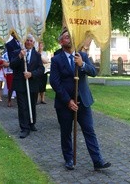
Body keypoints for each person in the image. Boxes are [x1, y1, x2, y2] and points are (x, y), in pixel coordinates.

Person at [49, 29, 111, 171]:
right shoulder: (56, 59)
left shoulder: (81, 55)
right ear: (60, 42)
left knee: (89, 130)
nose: (69, 39)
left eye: (70, 36)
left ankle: (97, 161)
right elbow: (55, 82)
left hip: (83, 101)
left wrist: (82, 64)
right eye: (65, 37)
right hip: (65, 104)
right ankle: (69, 159)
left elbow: (94, 72)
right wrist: (68, 101)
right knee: (66, 132)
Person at [9, 34, 44, 138]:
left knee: (32, 105)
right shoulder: (17, 53)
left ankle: (31, 122)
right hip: (20, 84)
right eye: (27, 40)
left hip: (32, 84)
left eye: (30, 41)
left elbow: (41, 69)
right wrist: (20, 57)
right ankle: (24, 128)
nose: (28, 42)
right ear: (24, 42)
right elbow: (11, 65)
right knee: (23, 106)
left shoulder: (37, 55)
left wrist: (31, 74)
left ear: (33, 43)